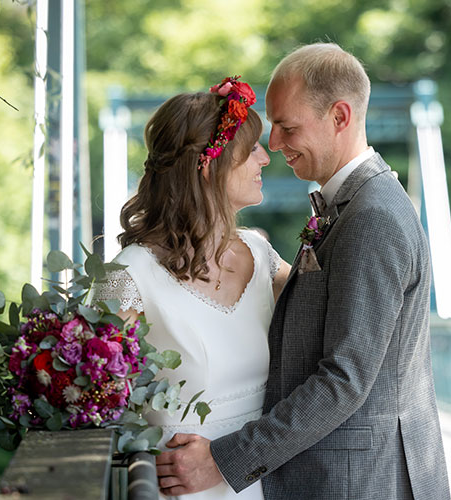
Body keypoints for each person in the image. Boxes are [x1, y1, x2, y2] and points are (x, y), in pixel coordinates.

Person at [155, 43, 451, 499]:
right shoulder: (353, 206)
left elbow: (344, 380)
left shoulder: (372, 216)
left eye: (286, 127)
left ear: (339, 117)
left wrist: (223, 460)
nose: (272, 144)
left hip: (361, 483)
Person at [94, 76, 290, 500]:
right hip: (179, 488)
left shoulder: (263, 256)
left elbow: (339, 319)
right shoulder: (123, 274)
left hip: (266, 481)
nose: (265, 158)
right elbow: (91, 393)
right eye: (251, 148)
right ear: (209, 164)